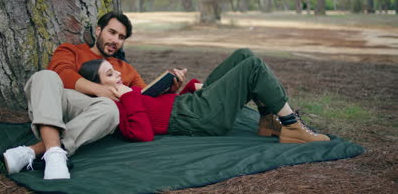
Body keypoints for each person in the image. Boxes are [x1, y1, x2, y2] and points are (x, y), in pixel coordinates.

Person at [2, 12, 167, 180]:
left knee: (110, 109)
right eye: (112, 32)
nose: (116, 40)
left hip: (95, 120)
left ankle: (37, 152)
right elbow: (61, 72)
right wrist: (99, 90)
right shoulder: (71, 50)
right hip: (57, 105)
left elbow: (146, 97)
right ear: (98, 30)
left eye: (121, 37)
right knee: (45, 76)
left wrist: (169, 87)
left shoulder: (125, 69)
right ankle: (54, 153)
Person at [78, 51, 330, 144]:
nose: (118, 76)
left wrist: (183, 88)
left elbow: (155, 107)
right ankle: (292, 126)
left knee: (243, 55)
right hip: (198, 118)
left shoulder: (124, 95)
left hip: (190, 104)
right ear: (98, 85)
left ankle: (267, 122)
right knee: (253, 66)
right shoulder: (112, 108)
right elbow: (143, 133)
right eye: (110, 75)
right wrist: (127, 97)